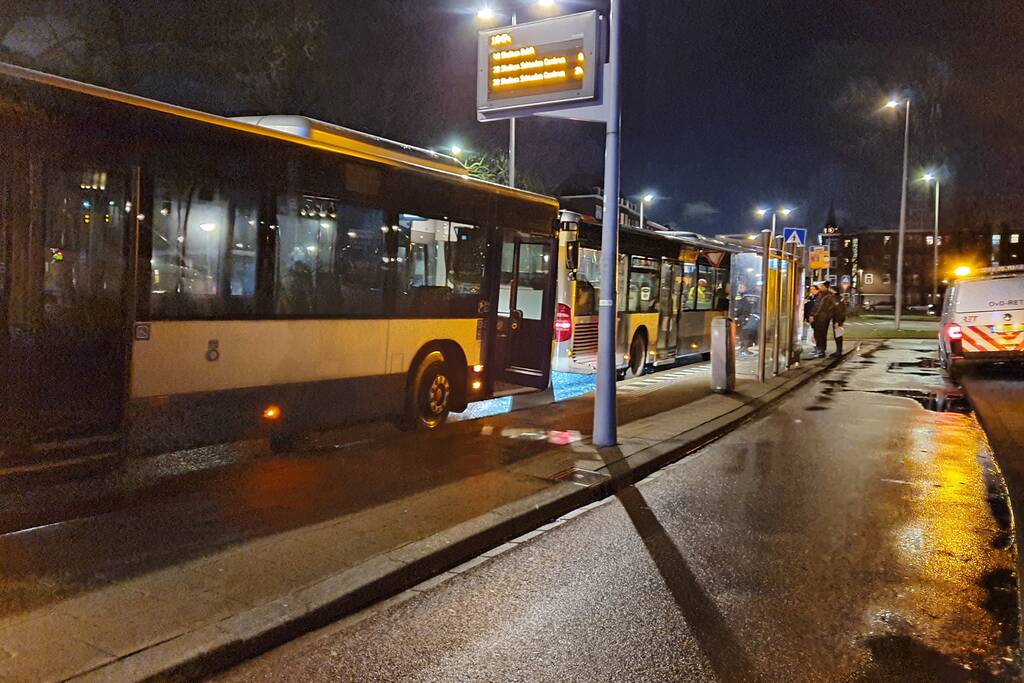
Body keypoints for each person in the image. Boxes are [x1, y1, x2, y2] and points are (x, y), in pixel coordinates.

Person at [809, 281, 836, 358]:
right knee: (820, 334)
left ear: (825, 287)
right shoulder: (824, 295)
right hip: (822, 318)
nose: (820, 287)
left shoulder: (825, 296)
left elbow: (819, 307)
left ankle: (821, 350)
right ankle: (820, 349)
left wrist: (813, 315)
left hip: (821, 318)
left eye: (821, 286)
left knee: (820, 334)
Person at [831, 284, 847, 357]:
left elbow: (839, 311)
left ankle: (839, 351)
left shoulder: (837, 299)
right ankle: (838, 350)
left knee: (838, 335)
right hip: (837, 319)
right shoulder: (838, 298)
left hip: (838, 320)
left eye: (831, 289)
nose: (830, 291)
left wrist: (838, 321)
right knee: (837, 335)